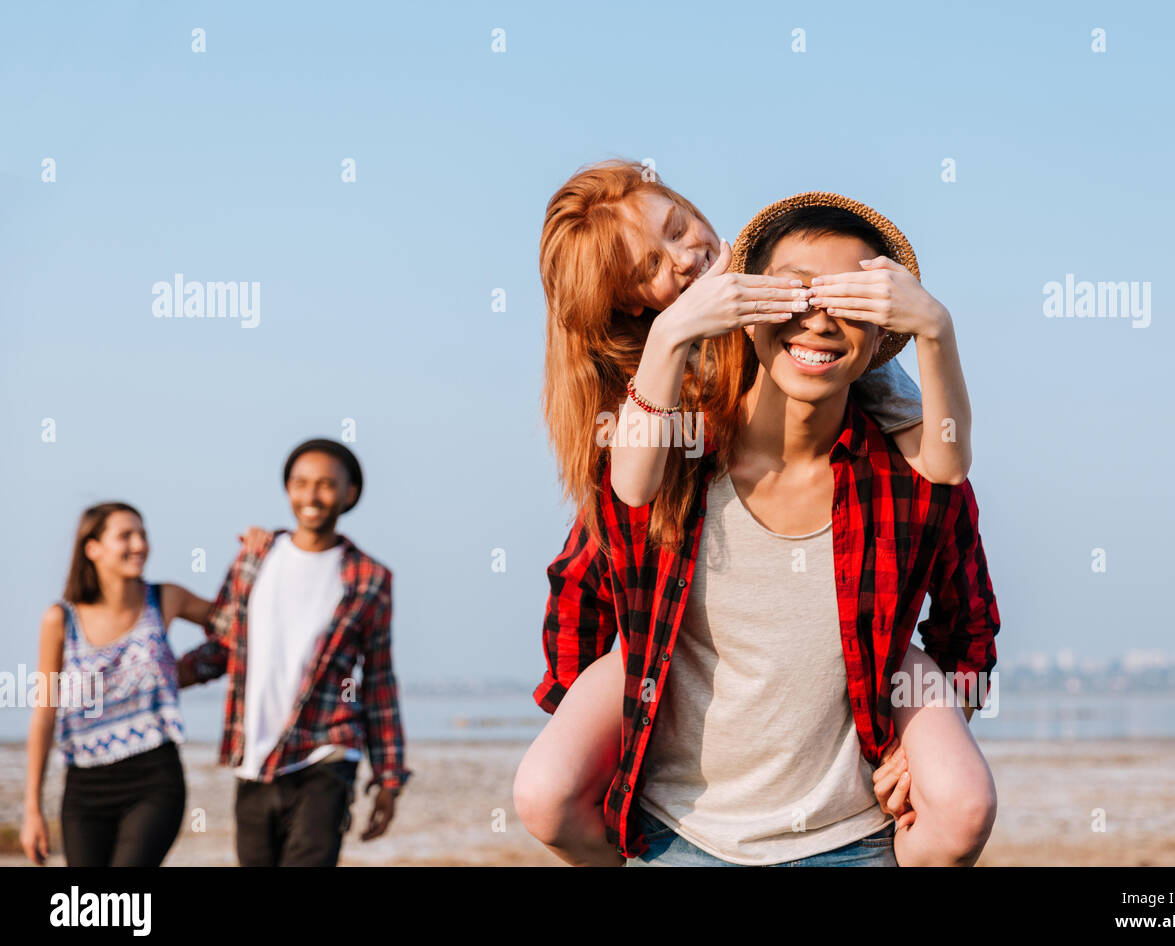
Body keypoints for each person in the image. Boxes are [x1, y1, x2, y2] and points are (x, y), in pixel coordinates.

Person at [517, 192, 999, 866]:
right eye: (655, 264)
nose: (688, 258)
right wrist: (615, 725)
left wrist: (934, 329)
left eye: (683, 228)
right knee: (542, 791)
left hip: (851, 828)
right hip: (681, 823)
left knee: (963, 801)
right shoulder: (663, 420)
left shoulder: (896, 450)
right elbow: (592, 567)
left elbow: (964, 592)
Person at [176, 438, 410, 867]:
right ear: (287, 490)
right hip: (254, 757)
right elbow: (223, 649)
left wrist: (389, 777)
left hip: (326, 751)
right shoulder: (254, 558)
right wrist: (158, 681)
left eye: (325, 484)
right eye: (301, 483)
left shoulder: (370, 578)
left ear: (349, 493)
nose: (311, 495)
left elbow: (378, 681)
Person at [20, 502, 266, 866]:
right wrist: (32, 810)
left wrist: (250, 560)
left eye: (143, 534)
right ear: (93, 549)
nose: (139, 545)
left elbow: (239, 629)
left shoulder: (164, 598)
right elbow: (43, 716)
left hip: (155, 779)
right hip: (84, 787)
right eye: (126, 536)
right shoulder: (60, 620)